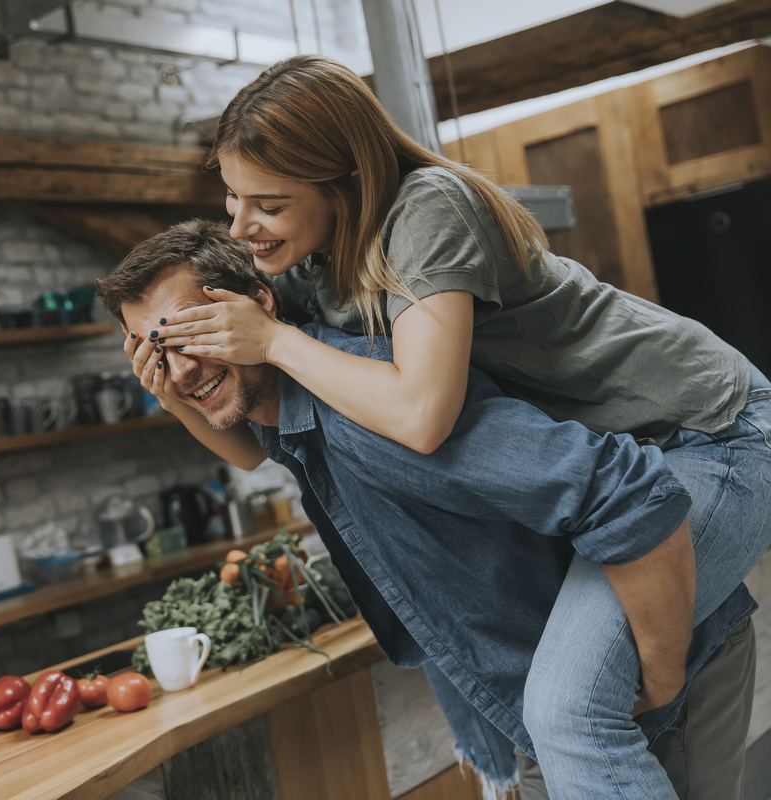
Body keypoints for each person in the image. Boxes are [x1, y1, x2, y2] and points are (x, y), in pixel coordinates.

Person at [99, 220, 771, 800]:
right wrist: (175, 391)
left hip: (654, 688)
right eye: (154, 353)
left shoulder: (368, 419)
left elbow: (625, 491)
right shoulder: (292, 411)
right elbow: (245, 444)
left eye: (193, 332)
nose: (179, 368)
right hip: (551, 715)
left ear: (257, 307)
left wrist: (664, 668)